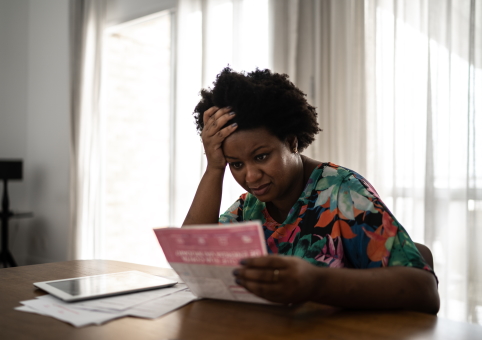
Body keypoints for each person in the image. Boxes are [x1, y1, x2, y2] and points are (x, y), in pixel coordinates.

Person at [183, 67, 440, 314]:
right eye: (236, 164)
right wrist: (214, 168)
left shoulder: (343, 193)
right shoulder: (249, 207)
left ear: (292, 142)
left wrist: (316, 283)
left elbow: (424, 291)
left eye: (261, 157)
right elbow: (191, 264)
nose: (250, 176)